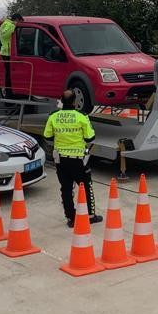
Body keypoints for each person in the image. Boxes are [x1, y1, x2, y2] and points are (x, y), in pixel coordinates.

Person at [43, 89, 101, 227]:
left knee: (66, 189)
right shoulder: (82, 116)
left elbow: (47, 136)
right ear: (75, 101)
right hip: (79, 159)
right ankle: (90, 216)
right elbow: (90, 137)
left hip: (61, 160)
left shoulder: (53, 116)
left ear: (61, 101)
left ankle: (71, 218)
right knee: (86, 186)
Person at [0, 12, 23, 97]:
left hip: (7, 51)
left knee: (10, 72)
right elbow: (5, 35)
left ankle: (10, 90)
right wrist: (13, 26)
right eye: (19, 21)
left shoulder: (7, 23)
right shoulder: (8, 24)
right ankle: (8, 91)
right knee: (8, 73)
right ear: (17, 19)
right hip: (6, 52)